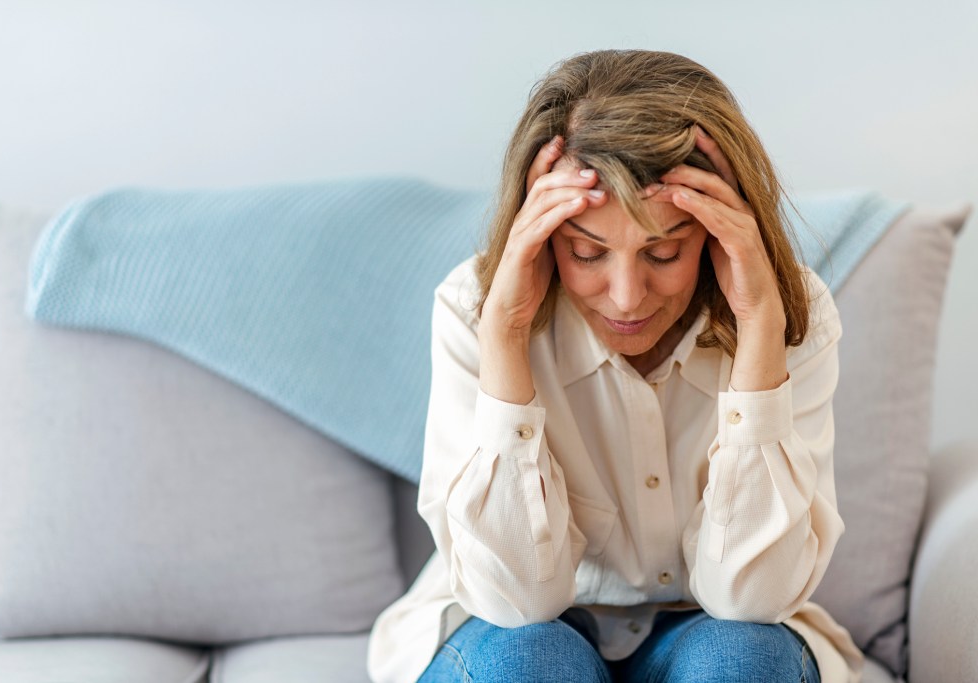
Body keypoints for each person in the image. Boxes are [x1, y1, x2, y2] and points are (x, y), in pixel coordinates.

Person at [367, 49, 864, 683]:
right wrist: (507, 335)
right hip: (510, 635)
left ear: (718, 234)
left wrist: (761, 328)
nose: (627, 298)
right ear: (542, 235)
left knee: (744, 660)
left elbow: (751, 599)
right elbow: (517, 601)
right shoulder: (475, 308)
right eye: (587, 252)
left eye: (663, 252)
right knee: (531, 663)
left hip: (703, 629)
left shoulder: (789, 311)